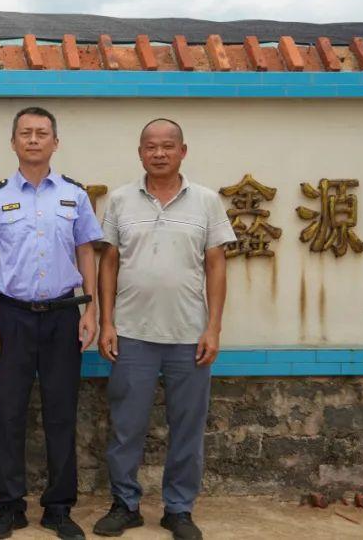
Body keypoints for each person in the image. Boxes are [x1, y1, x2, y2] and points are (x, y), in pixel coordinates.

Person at [92, 119, 232, 540]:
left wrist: (214, 328)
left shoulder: (206, 202)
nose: (159, 153)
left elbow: (216, 265)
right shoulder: (119, 200)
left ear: (183, 151)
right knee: (125, 426)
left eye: (168, 146)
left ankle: (179, 509)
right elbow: (109, 263)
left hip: (189, 336)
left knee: (187, 426)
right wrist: (107, 322)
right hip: (132, 333)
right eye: (150, 146)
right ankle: (125, 504)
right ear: (140, 152)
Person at [0, 107, 101, 540]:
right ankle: (9, 507)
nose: (33, 140)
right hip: (11, 317)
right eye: (24, 133)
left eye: (41, 133)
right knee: (8, 414)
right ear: (13, 142)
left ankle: (59, 508)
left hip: (64, 314)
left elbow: (87, 252)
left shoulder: (75, 197)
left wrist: (92, 309)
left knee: (61, 412)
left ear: (55, 142)